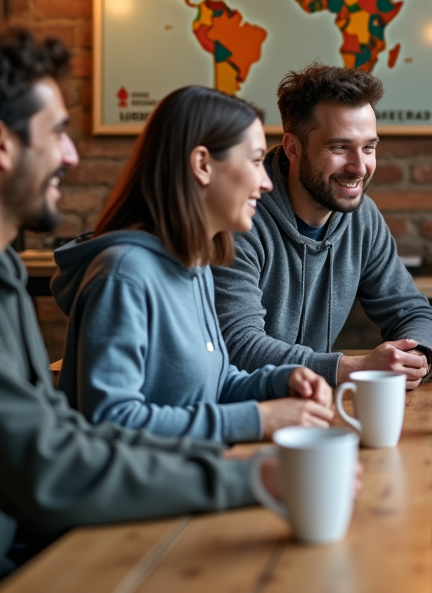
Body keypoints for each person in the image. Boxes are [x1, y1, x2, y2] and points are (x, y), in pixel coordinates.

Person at [0, 25, 278, 593]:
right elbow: (48, 469)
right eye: (56, 133)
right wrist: (252, 478)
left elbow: (62, 439)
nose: (72, 155)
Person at [53, 86, 334, 444]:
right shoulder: (124, 275)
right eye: (254, 161)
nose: (266, 183)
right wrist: (259, 418)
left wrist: (279, 381)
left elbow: (212, 386)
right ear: (202, 165)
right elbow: (111, 420)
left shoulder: (193, 264)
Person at [213, 63, 432, 389]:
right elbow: (238, 345)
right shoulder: (239, 216)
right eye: (339, 147)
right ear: (293, 148)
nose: (359, 167)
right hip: (242, 407)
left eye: (369, 147)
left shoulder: (362, 217)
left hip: (313, 405)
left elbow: (413, 312)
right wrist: (352, 368)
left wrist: (415, 356)